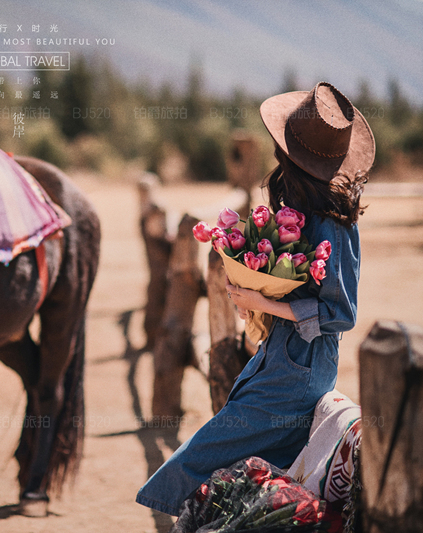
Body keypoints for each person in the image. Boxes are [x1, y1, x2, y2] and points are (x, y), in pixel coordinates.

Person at [136, 81, 375, 516]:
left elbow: (341, 313)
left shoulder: (334, 224)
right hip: (282, 362)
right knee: (234, 472)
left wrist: (263, 302)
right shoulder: (303, 205)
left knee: (196, 462)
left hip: (297, 372)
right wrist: (261, 288)